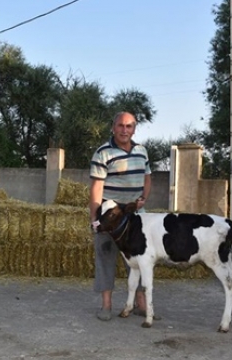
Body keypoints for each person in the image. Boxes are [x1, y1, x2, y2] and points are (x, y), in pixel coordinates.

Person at [88, 111, 153, 321]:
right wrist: (95, 219)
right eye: (120, 126)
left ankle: (141, 304)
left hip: (136, 218)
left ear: (134, 128)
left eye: (129, 126)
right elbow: (96, 188)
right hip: (110, 217)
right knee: (106, 258)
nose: (124, 130)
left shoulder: (142, 151)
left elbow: (148, 178)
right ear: (113, 127)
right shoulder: (103, 153)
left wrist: (143, 197)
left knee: (139, 261)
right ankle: (106, 305)